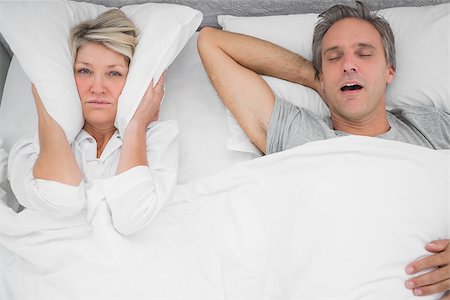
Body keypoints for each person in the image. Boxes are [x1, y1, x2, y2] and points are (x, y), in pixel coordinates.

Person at [197, 1, 449, 297]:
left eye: (365, 54)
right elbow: (212, 42)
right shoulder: (299, 134)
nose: (349, 65)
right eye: (333, 58)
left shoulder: (431, 128)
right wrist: (314, 78)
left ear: (389, 71)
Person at [8, 9, 179, 235]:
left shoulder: (158, 139)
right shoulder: (30, 152)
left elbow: (131, 218)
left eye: (114, 74)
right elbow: (62, 198)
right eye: (84, 71)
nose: (97, 88)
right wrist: (46, 107)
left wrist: (137, 124)